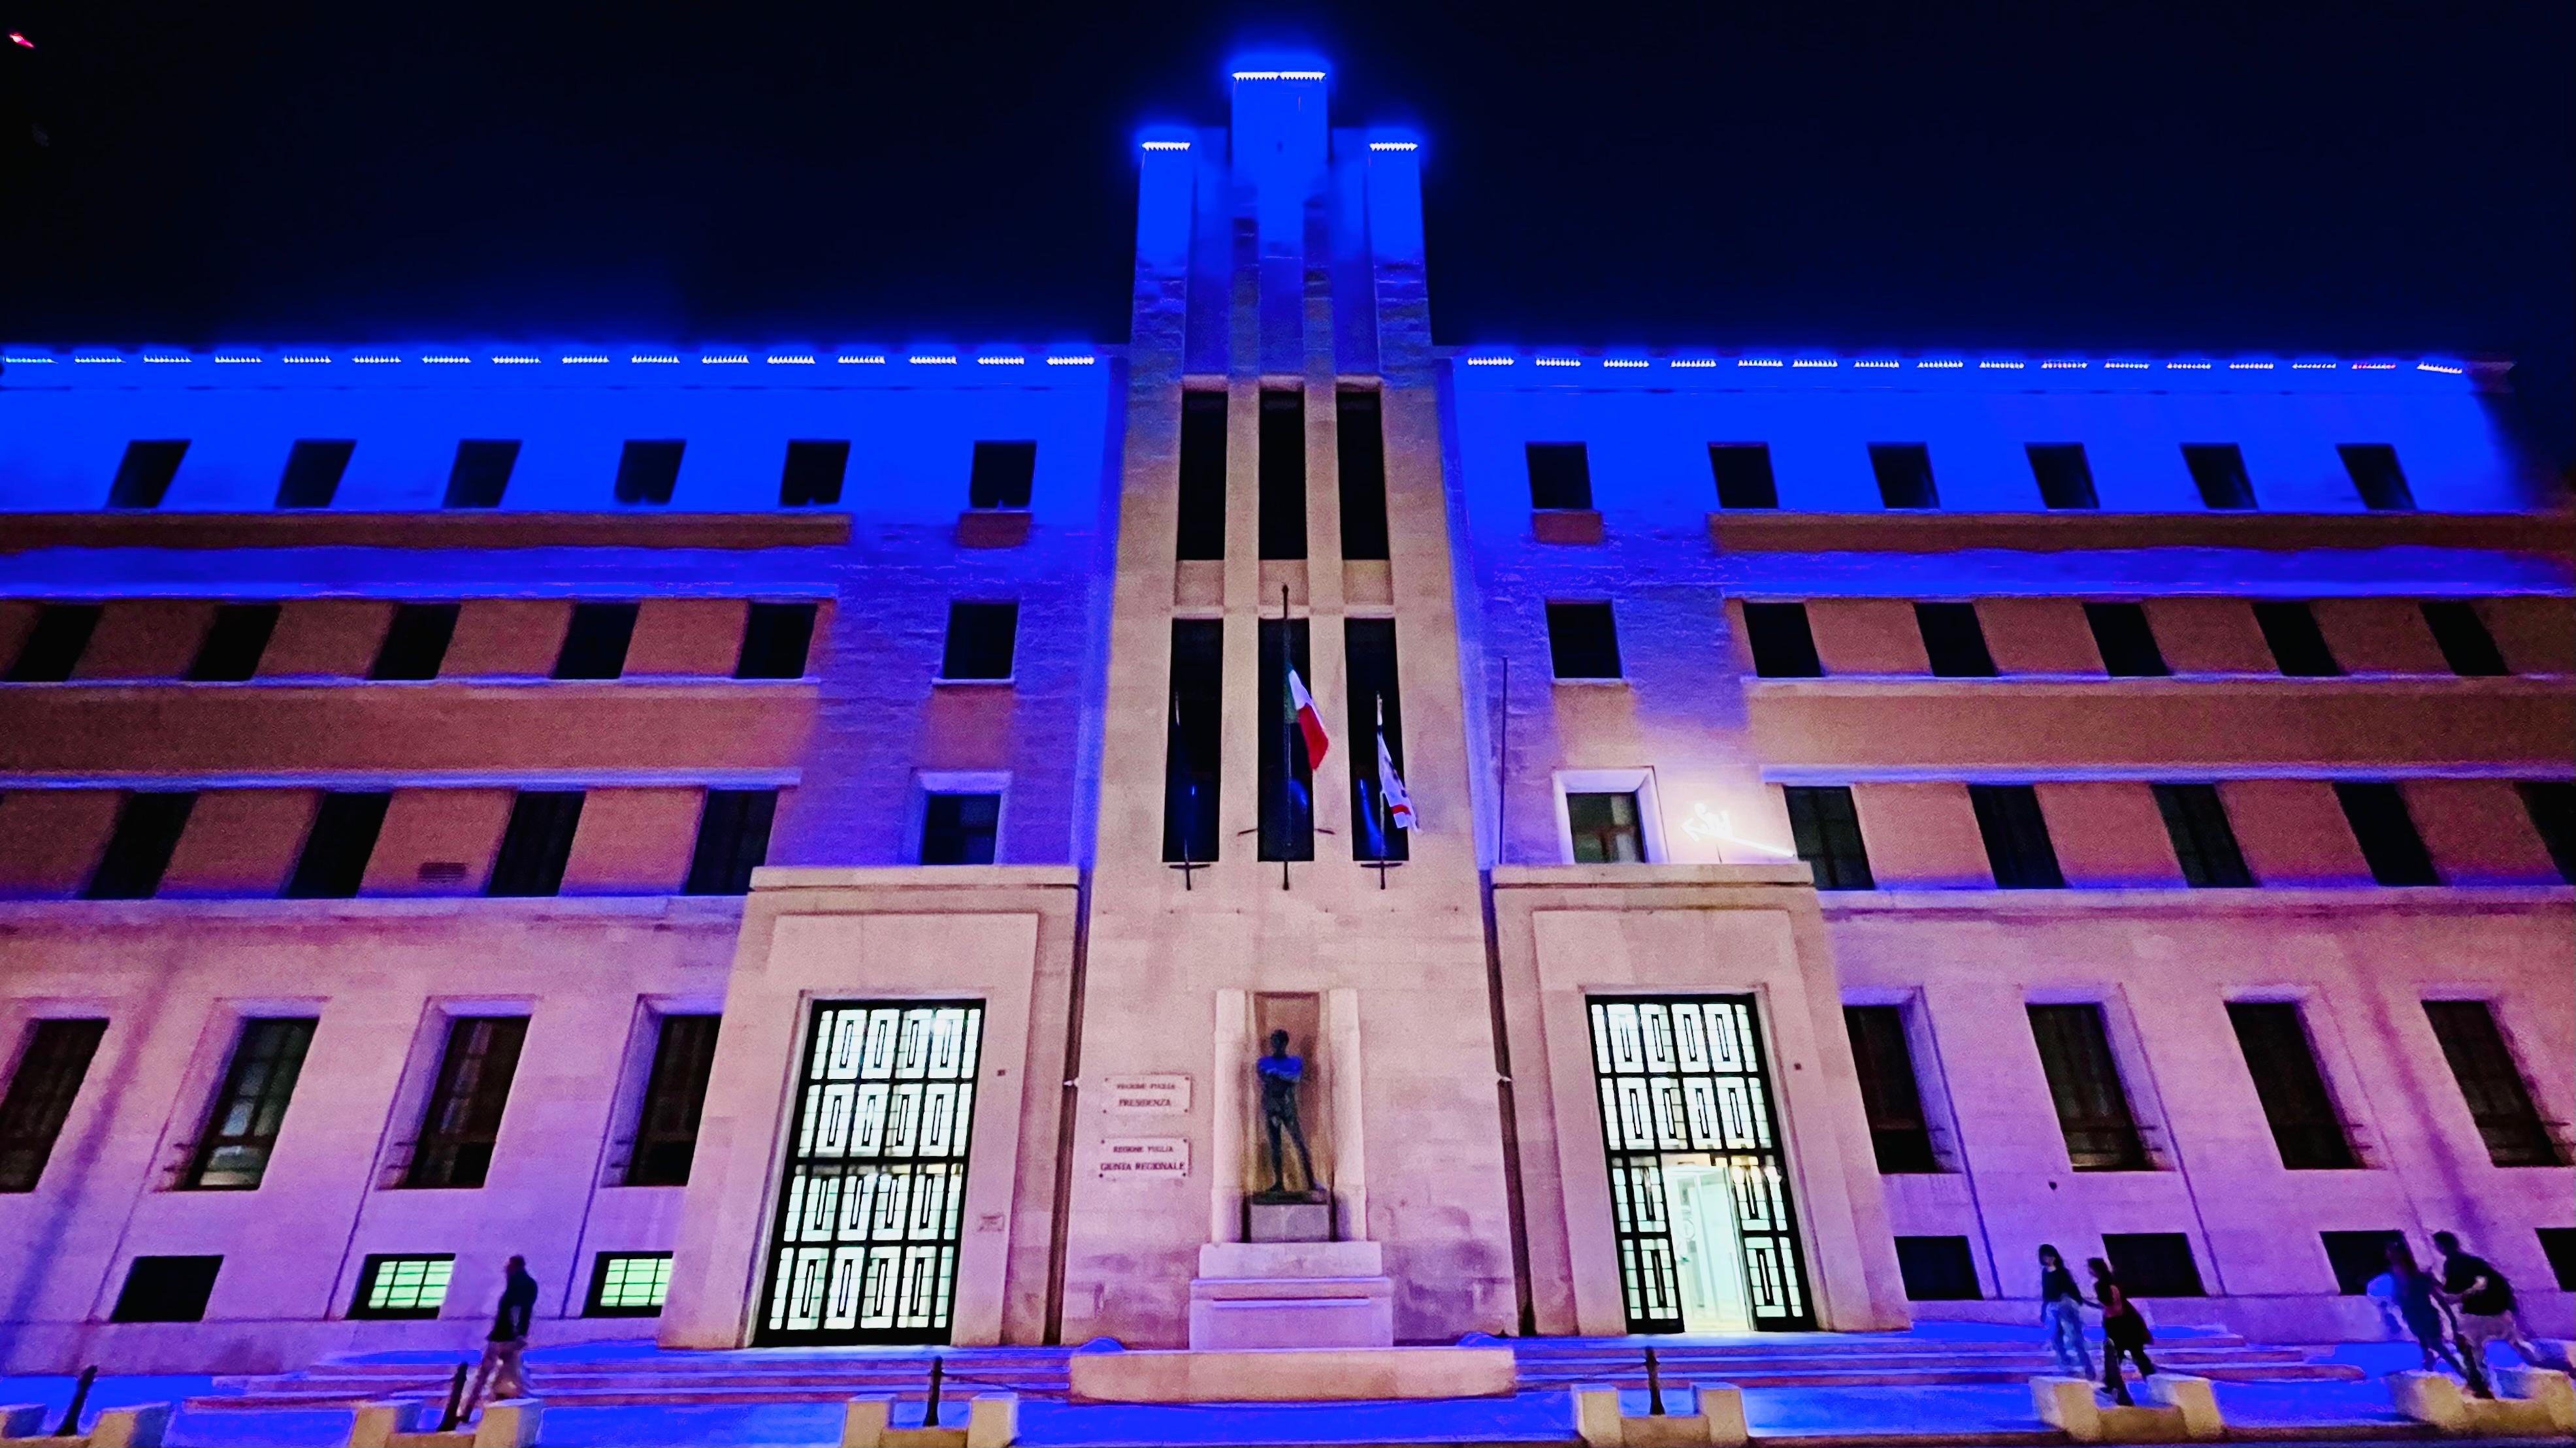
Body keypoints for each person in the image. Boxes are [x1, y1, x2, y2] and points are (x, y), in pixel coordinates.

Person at [2384, 1239, 2487, 1396]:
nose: (2391, 1256)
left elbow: (2439, 1298)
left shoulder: (2418, 1277)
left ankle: (2469, 1379)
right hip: (2414, 1318)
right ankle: (2433, 1379)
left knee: (2438, 1347)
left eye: (2393, 1253)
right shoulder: (2399, 1277)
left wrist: (2452, 1320)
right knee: (2428, 1348)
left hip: (2426, 1317)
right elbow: (2400, 1299)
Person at [2432, 1231, 2543, 1371]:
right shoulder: (2467, 1262)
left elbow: (2480, 1283)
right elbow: (2454, 1290)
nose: (2437, 1249)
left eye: (2438, 1245)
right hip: (2494, 1309)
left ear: (2443, 1246)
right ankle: (2539, 1365)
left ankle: (2481, 1376)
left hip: (2479, 1312)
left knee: (2474, 1347)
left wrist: (2461, 1295)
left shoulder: (2458, 1263)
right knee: (2515, 1342)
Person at [464, 1255, 539, 1416]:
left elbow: (516, 1309)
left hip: (504, 1336)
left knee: (488, 1372)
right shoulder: (528, 1284)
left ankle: (471, 1406)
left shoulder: (517, 1284)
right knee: (508, 1371)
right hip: (509, 1336)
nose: (506, 1269)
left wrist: (517, 1333)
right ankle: (496, 1399)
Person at [2086, 1257, 2156, 1406]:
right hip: (2131, 1321)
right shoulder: (2114, 1281)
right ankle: (2152, 1381)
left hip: (2117, 1324)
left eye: (2090, 1268)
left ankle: (2116, 1389)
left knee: (2114, 1356)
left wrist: (2101, 1311)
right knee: (2137, 1354)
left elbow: (2111, 1306)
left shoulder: (2101, 1285)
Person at [1257, 1029, 1317, 1195]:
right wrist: (1282, 1078)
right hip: (1271, 1107)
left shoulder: (1294, 1061)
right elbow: (1267, 1080)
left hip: (1288, 1108)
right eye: (1273, 1042)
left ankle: (1311, 1181)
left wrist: (1277, 1076)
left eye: (1278, 1042)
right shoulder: (1264, 1062)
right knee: (1275, 1146)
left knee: (1299, 1143)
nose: (1275, 1045)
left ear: (1285, 1043)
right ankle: (1279, 1182)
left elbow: (1295, 1078)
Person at [2038, 1245, 2094, 1379]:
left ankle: (2088, 1366)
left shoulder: (2062, 1272)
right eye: (2046, 1256)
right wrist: (2043, 1310)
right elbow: (2046, 1292)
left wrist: (2078, 1300)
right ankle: (2067, 1364)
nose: (2049, 1259)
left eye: (2051, 1256)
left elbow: (2072, 1288)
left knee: (2075, 1337)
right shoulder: (2045, 1272)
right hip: (2053, 1305)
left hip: (2067, 1305)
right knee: (2056, 1337)